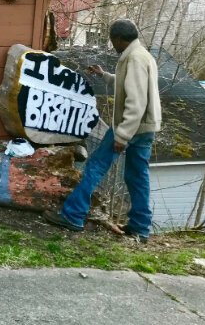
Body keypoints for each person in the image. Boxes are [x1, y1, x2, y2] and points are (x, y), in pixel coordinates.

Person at [43, 19, 161, 242]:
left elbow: (136, 102)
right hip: (146, 128)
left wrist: (122, 134)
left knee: (95, 167)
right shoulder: (142, 54)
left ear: (118, 39)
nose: (112, 45)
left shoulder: (133, 58)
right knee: (137, 176)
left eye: (112, 40)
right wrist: (105, 75)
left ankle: (73, 215)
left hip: (131, 127)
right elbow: (130, 84)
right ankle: (140, 227)